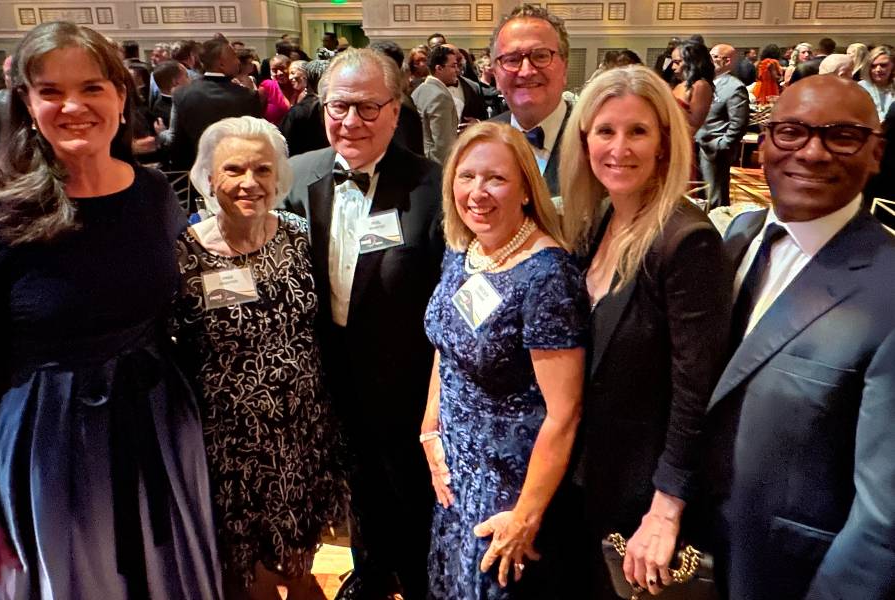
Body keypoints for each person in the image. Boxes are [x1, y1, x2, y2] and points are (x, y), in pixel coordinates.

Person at [0, 21, 222, 599]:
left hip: (158, 421)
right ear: (26, 102)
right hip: (47, 437)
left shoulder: (152, 194)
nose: (73, 106)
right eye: (50, 91)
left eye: (92, 87)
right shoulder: (4, 212)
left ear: (122, 97)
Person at [704, 75, 895, 600]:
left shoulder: (888, 290)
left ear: (875, 153)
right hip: (697, 554)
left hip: (789, 575)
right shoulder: (737, 235)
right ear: (764, 144)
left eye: (842, 137)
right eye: (791, 132)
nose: (812, 153)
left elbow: (884, 522)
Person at [559, 65, 732, 599]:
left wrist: (666, 507)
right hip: (588, 475)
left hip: (640, 494)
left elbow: (696, 390)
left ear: (663, 143)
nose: (619, 148)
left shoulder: (686, 242)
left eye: (638, 131)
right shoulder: (600, 220)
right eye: (605, 131)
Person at [281, 48, 444, 600]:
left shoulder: (434, 188)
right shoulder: (296, 177)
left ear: (396, 111)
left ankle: (420, 579)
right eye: (338, 107)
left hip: (407, 381)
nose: (351, 122)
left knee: (410, 492)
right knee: (358, 489)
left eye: (368, 109)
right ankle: (370, 572)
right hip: (329, 378)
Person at [172, 116, 347, 600]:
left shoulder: (297, 235)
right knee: (249, 580)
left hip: (302, 431)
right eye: (234, 170)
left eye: (263, 170)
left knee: (301, 564)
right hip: (230, 444)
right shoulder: (184, 254)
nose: (250, 183)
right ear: (209, 178)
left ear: (278, 177)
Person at [422, 122, 586, 600]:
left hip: (509, 488)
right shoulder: (465, 251)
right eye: (466, 177)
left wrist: (526, 514)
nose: (478, 192)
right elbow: (446, 346)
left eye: (495, 178)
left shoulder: (547, 276)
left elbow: (565, 413)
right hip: (456, 473)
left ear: (526, 190)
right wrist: (429, 428)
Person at [490, 4, 572, 196]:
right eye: (512, 59)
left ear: (565, 69)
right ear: (495, 74)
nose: (526, 71)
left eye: (541, 56)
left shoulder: (594, 138)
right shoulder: (481, 141)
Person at [170, 38, 261, 169]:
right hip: (235, 169)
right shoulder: (247, 96)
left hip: (196, 172)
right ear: (221, 64)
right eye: (234, 57)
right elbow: (254, 139)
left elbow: (178, 143)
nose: (237, 62)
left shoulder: (182, 94)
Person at [697, 44, 749, 208]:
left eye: (712, 56)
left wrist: (722, 145)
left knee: (715, 197)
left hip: (714, 151)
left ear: (726, 61)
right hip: (697, 146)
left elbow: (738, 124)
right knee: (698, 196)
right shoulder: (705, 83)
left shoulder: (735, 87)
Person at [412, 44, 460, 164]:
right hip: (435, 166)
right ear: (439, 68)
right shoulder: (440, 96)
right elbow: (442, 145)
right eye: (453, 66)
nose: (457, 70)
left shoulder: (419, 90)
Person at [278, 60, 329, 157]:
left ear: (306, 78)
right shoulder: (337, 108)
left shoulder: (298, 112)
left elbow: (282, 143)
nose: (290, 77)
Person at [670, 40, 714, 134]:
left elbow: (693, 126)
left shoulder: (701, 85)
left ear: (692, 62)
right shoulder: (679, 85)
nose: (673, 67)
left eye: (677, 62)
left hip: (680, 142)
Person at [858, 45, 894, 121]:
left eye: (883, 65)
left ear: (893, 66)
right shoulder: (859, 88)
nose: (878, 69)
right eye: (873, 66)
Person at [258, 54, 295, 125]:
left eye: (282, 68)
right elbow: (257, 114)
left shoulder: (297, 86)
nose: (279, 73)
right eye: (274, 70)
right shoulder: (267, 86)